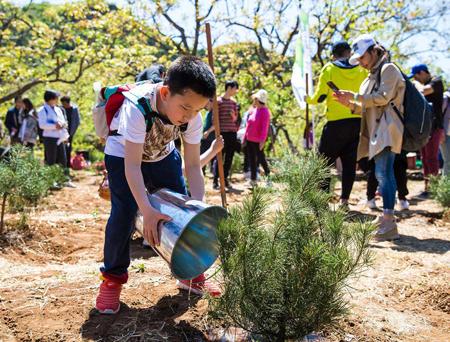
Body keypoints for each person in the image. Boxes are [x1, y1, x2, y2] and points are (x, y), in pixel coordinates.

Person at [96, 56, 220, 315]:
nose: (189, 116)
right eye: (185, 108)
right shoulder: (137, 108)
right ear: (165, 93)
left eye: (197, 110)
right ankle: (112, 280)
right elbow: (132, 167)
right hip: (123, 155)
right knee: (125, 213)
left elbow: (194, 166)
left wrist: (195, 208)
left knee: (181, 205)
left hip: (162, 153)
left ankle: (191, 271)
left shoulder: (192, 118)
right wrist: (147, 210)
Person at [334, 34, 405, 241]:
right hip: (376, 130)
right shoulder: (370, 75)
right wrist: (347, 103)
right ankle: (386, 217)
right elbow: (366, 108)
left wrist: (354, 96)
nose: (361, 63)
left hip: (388, 128)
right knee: (382, 173)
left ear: (374, 51)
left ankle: (389, 221)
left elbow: (383, 98)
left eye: (363, 57)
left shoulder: (389, 69)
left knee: (384, 173)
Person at [306, 41, 368, 207]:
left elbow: (320, 97)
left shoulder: (329, 68)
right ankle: (345, 201)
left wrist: (307, 99)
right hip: (358, 120)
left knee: (324, 162)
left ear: (333, 55)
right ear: (349, 52)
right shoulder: (362, 68)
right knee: (349, 164)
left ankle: (324, 201)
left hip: (335, 124)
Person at [408, 64, 445, 197]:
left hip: (434, 127)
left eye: (417, 77)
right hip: (423, 127)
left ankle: (434, 189)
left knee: (431, 158)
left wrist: (415, 85)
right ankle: (427, 188)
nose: (416, 80)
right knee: (424, 158)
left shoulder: (436, 81)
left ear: (423, 72)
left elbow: (424, 91)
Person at [213, 80, 239, 189]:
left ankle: (225, 179)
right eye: (235, 88)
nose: (236, 91)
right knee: (219, 157)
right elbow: (214, 118)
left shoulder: (234, 102)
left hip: (232, 133)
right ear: (229, 87)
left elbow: (236, 119)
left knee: (229, 157)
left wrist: (234, 116)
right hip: (222, 133)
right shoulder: (218, 101)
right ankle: (215, 180)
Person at [244, 89, 271, 187]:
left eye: (255, 99)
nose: (254, 101)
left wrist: (262, 141)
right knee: (252, 160)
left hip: (258, 141)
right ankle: (253, 180)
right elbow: (248, 125)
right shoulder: (254, 110)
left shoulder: (265, 112)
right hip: (250, 140)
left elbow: (265, 127)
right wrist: (245, 138)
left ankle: (268, 179)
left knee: (261, 159)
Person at [37, 90, 68, 168]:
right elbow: (42, 125)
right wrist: (55, 126)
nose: (57, 100)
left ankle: (63, 178)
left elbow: (63, 121)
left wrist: (63, 125)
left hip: (60, 137)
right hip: (49, 138)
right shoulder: (42, 110)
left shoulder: (58, 109)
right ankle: (51, 179)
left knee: (63, 160)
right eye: (56, 98)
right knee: (51, 160)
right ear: (50, 99)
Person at [60, 96, 81, 168]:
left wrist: (72, 132)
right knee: (61, 148)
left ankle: (68, 165)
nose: (63, 104)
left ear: (67, 102)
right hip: (61, 132)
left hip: (70, 132)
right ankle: (62, 164)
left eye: (64, 103)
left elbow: (77, 121)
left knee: (68, 148)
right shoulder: (61, 109)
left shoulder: (74, 109)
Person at [441, 90, 450, 176]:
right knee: (448, 161)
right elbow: (438, 115)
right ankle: (446, 186)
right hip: (445, 134)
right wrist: (440, 130)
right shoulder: (445, 97)